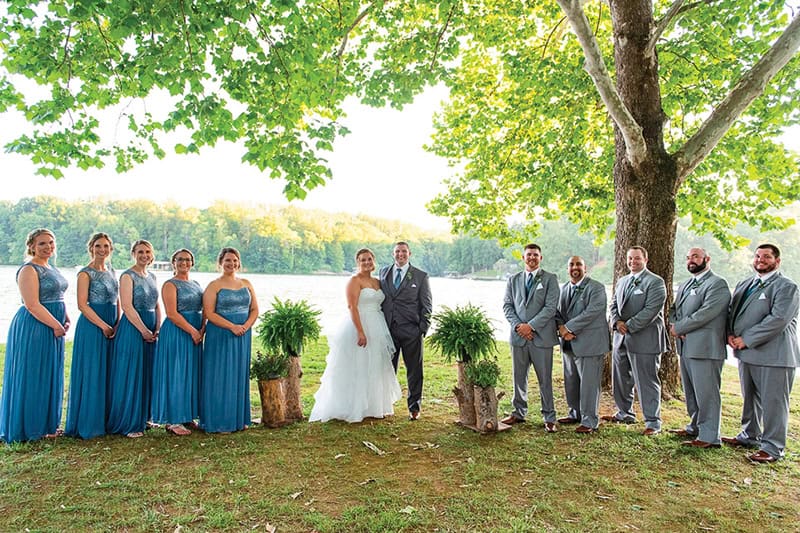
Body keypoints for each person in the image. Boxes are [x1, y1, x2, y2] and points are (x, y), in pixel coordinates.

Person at [724, 244, 799, 463]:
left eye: (766, 256)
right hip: (746, 354)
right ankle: (749, 435)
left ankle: (773, 448)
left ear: (777, 261)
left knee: (773, 402)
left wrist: (746, 339)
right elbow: (732, 312)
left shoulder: (787, 287)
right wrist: (730, 333)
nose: (760, 260)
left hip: (774, 356)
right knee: (750, 398)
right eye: (757, 256)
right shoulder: (745, 283)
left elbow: (778, 320)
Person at [310, 248, 401, 422]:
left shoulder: (378, 282)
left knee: (375, 364)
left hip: (377, 324)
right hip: (360, 324)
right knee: (358, 364)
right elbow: (352, 307)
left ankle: (374, 406)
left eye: (369, 259)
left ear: (373, 260)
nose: (366, 263)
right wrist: (360, 331)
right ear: (357, 263)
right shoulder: (354, 281)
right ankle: (354, 406)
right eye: (362, 260)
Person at [0, 229, 70, 444]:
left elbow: (58, 296)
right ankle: (29, 427)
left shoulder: (51, 267)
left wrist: (65, 317)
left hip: (54, 324)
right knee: (33, 374)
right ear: (31, 246)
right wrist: (55, 324)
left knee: (49, 373)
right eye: (42, 244)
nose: (48, 247)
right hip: (35, 327)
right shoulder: (28, 270)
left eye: (50, 242)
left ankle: (47, 424)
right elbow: (31, 304)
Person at [668, 247, 730, 449]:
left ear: (707, 258)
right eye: (688, 257)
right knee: (691, 391)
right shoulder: (686, 283)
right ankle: (694, 426)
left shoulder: (717, 284)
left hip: (706, 347)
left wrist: (681, 327)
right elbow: (674, 309)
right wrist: (674, 326)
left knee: (707, 393)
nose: (691, 260)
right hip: (686, 346)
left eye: (695, 256)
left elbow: (707, 312)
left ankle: (710, 436)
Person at [605, 246, 667, 436]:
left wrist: (629, 325)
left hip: (645, 339)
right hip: (620, 339)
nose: (633, 262)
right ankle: (624, 413)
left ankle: (653, 422)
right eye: (630, 259)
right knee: (620, 378)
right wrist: (616, 322)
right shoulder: (623, 281)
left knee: (646, 381)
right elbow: (614, 304)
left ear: (645, 260)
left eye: (637, 259)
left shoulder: (656, 282)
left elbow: (651, 309)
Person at [64, 232, 119, 440]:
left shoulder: (112, 271)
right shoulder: (85, 273)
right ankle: (89, 422)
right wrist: (103, 325)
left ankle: (107, 419)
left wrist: (118, 322)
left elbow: (118, 299)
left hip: (112, 322)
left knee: (109, 371)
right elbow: (81, 304)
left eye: (106, 246)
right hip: (93, 325)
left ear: (111, 249)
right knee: (93, 370)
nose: (102, 250)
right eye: (98, 246)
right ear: (91, 248)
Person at [501, 243, 560, 432]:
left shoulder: (550, 279)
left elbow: (551, 308)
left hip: (541, 337)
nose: (532, 258)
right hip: (518, 336)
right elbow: (507, 306)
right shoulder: (513, 279)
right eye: (529, 255)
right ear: (523, 257)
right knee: (519, 376)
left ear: (540, 258)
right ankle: (518, 412)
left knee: (545, 379)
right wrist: (519, 326)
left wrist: (531, 326)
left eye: (535, 255)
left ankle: (549, 416)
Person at [200, 247, 258, 433]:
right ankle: (219, 420)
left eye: (234, 260)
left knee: (238, 374)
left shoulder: (247, 283)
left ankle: (238, 418)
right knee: (220, 375)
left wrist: (245, 326)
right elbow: (209, 313)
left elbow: (255, 309)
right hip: (221, 334)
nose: (231, 264)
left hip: (242, 334)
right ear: (220, 263)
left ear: (239, 262)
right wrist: (232, 326)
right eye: (227, 261)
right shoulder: (214, 285)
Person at [107, 239, 161, 438]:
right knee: (131, 374)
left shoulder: (152, 276)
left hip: (150, 327)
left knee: (147, 373)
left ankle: (143, 417)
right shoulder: (127, 276)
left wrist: (157, 327)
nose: (144, 255)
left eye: (147, 251)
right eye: (140, 252)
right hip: (133, 327)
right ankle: (128, 423)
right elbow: (127, 307)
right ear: (133, 254)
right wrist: (143, 330)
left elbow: (157, 304)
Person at [151, 249, 205, 436]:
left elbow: (204, 309)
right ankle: (173, 420)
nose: (184, 263)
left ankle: (187, 414)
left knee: (191, 373)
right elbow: (172, 314)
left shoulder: (196, 283)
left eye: (188, 259)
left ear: (192, 262)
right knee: (177, 372)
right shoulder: (169, 285)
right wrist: (192, 331)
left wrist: (202, 330)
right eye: (180, 259)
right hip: (178, 332)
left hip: (196, 331)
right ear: (173, 262)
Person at [556, 255, 609, 434]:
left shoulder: (596, 288)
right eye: (571, 264)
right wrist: (561, 329)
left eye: (579, 264)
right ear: (567, 268)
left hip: (590, 343)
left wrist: (569, 328)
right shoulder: (564, 288)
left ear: (585, 268)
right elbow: (558, 313)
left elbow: (592, 312)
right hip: (568, 343)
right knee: (571, 381)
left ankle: (590, 420)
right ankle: (575, 413)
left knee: (589, 384)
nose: (575, 267)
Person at [379, 241, 432, 420]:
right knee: (387, 369)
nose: (400, 254)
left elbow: (427, 305)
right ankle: (385, 404)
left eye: (403, 251)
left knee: (414, 371)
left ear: (410, 254)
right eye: (397, 251)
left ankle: (414, 407)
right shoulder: (383, 272)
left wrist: (422, 329)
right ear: (393, 253)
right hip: (388, 331)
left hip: (411, 331)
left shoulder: (420, 276)